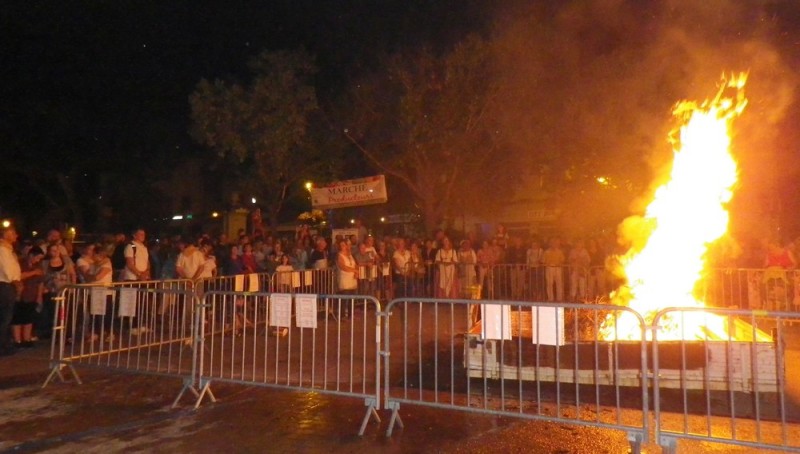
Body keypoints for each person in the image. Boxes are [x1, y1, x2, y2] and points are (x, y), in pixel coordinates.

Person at [41, 243, 77, 340]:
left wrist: (72, 286)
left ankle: (67, 335)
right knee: (54, 313)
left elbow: (72, 274)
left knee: (67, 313)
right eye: (53, 250)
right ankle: (56, 335)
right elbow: (43, 276)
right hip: (52, 291)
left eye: (57, 250)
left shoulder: (66, 261)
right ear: (49, 252)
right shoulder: (45, 263)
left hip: (66, 290)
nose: (56, 252)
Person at [12, 246, 45, 348]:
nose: (38, 260)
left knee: (29, 318)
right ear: (31, 255)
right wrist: (33, 272)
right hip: (20, 294)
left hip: (31, 295)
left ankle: (26, 338)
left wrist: (39, 296)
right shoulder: (20, 263)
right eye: (37, 257)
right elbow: (18, 276)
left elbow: (40, 282)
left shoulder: (38, 266)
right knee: (17, 318)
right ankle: (17, 340)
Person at [0, 226, 23, 355]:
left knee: (6, 317)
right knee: (4, 318)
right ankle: (2, 347)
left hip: (8, 286)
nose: (16, 235)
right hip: (5, 286)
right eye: (12, 232)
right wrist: (16, 283)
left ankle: (5, 344)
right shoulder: (2, 250)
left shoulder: (8, 251)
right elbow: (8, 272)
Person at [336, 239, 358, 318]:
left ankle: (350, 314)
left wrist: (356, 271)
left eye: (344, 245)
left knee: (352, 298)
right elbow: (343, 267)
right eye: (342, 245)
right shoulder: (340, 255)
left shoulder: (350, 255)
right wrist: (354, 271)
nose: (344, 247)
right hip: (345, 279)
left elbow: (355, 264)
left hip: (352, 279)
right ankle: (342, 315)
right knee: (344, 298)